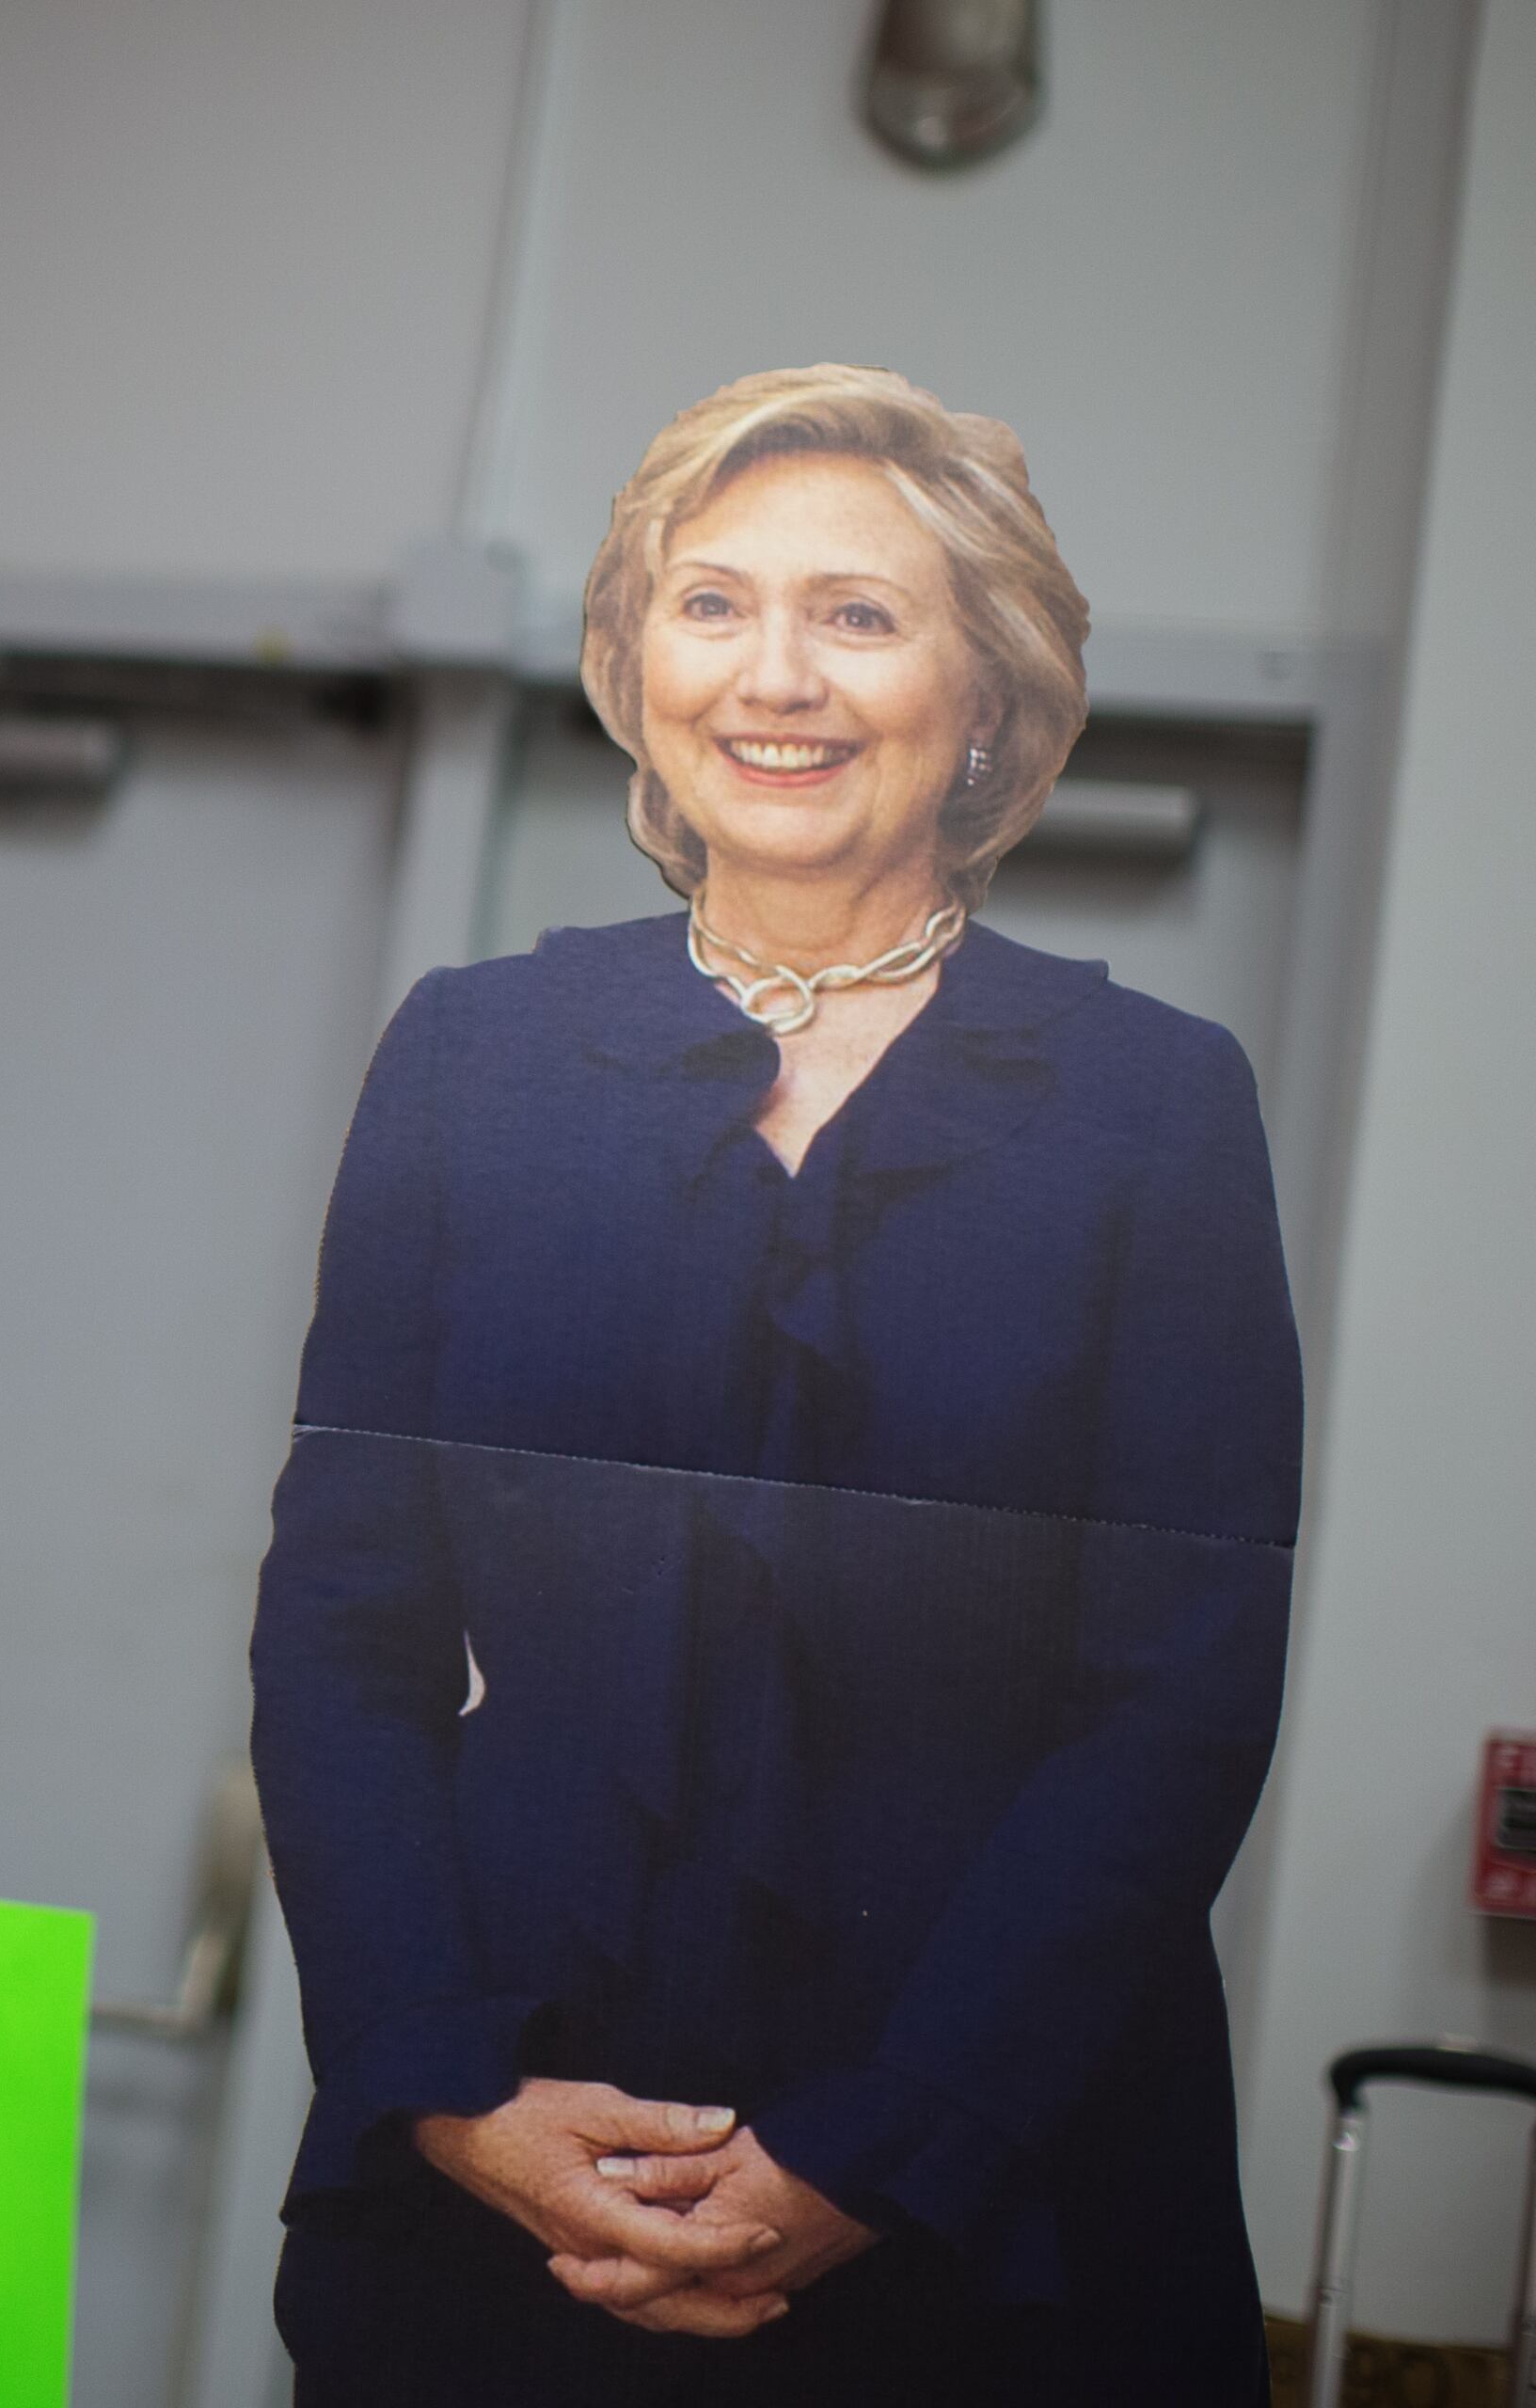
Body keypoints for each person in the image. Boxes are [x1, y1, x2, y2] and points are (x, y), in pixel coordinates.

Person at [249, 366, 1300, 2402]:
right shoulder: (473, 1057)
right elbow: (343, 1634)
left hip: (993, 2169)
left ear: (987, 690)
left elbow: (1174, 1697)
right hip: (517, 2129)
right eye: (713, 603)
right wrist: (444, 2079)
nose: (776, 676)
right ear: (638, 666)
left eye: (860, 612)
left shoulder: (1155, 1108)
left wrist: (887, 2141)